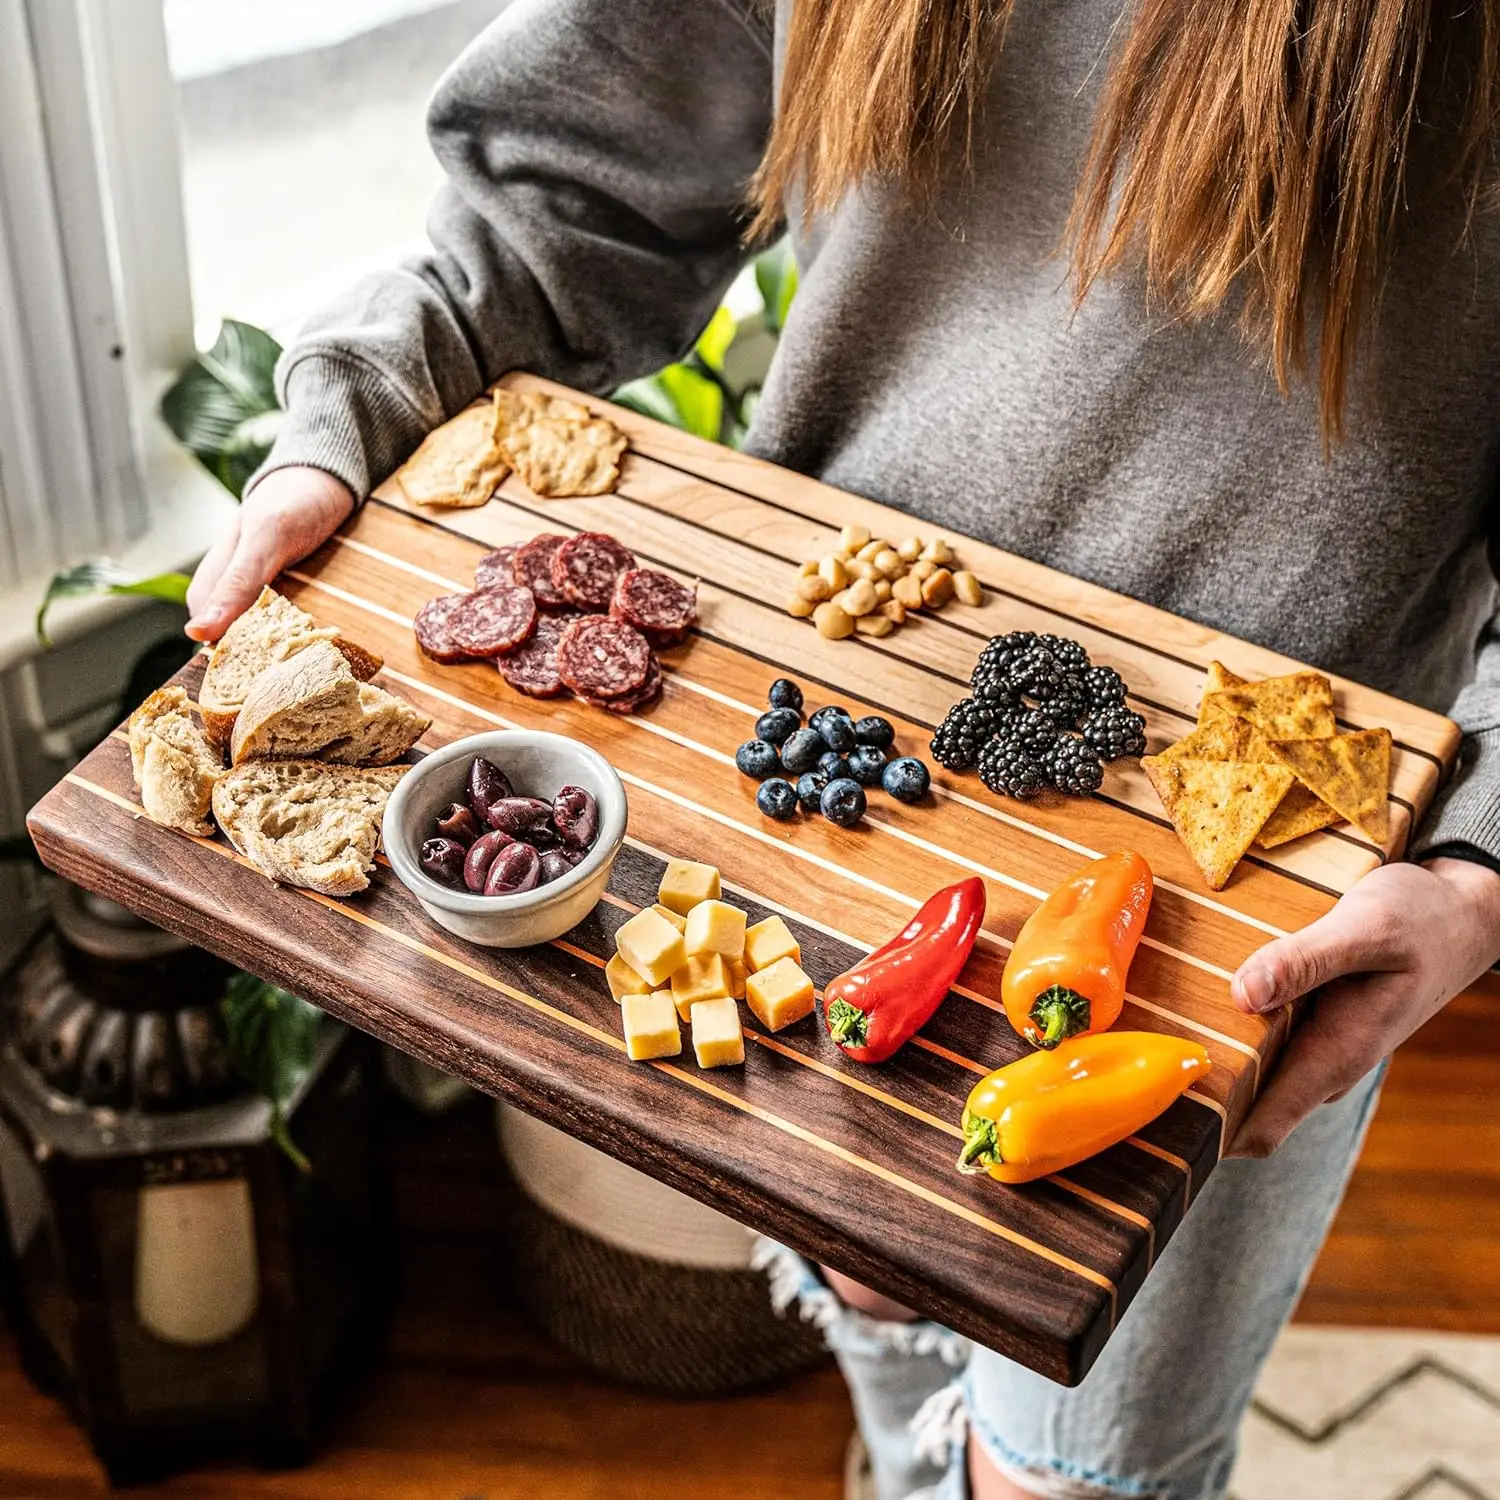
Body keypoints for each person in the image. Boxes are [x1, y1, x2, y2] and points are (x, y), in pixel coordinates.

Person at [184, 2, 1500, 1495]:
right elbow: (569, 196)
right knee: (869, 1290)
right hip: (832, 769)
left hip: (1256, 911)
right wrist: (354, 409)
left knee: (1072, 1473)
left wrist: (1481, 869)